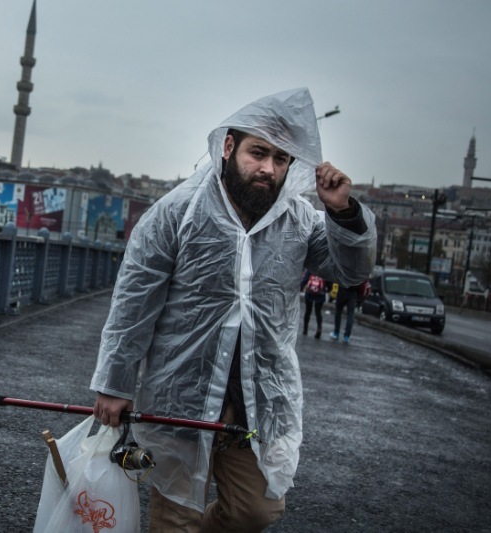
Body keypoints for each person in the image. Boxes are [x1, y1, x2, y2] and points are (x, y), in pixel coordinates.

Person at [90, 87, 377, 532]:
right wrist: (115, 383)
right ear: (228, 146)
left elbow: (351, 271)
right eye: (258, 153)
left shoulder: (299, 221)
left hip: (256, 399)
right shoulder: (178, 212)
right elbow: (134, 303)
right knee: (176, 514)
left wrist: (343, 213)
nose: (268, 168)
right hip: (181, 393)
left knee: (255, 510)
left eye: (281, 159)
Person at [300, 270, 328, 338]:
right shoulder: (325, 268)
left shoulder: (312, 267)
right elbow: (329, 282)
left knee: (308, 311)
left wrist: (301, 288)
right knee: (318, 312)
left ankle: (305, 329)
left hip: (309, 292)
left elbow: (305, 279)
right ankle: (319, 328)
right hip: (320, 294)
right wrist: (326, 290)